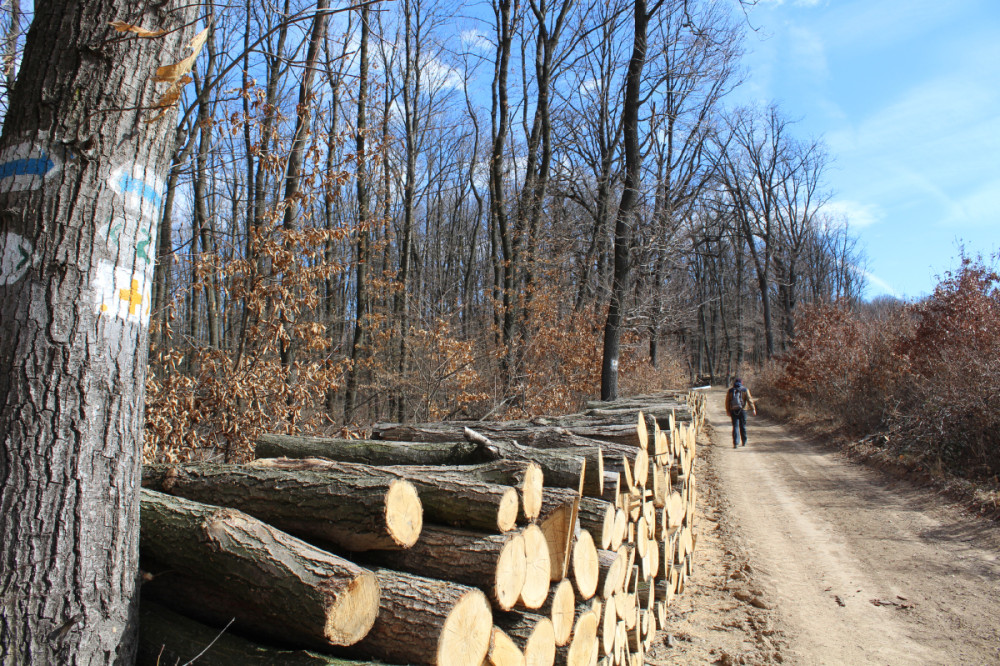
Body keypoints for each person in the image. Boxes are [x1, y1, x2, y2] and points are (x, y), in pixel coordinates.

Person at [725, 378, 756, 448]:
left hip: (733, 411)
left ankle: (736, 443)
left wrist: (728, 411)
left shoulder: (730, 391)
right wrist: (753, 409)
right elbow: (749, 399)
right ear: (741, 383)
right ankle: (744, 442)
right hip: (743, 410)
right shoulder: (745, 390)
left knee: (735, 426)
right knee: (743, 426)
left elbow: (727, 401)